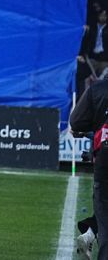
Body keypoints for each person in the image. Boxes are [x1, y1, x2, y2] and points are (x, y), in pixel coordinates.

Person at [70, 75, 108, 260]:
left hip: (104, 159)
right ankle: (91, 232)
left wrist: (90, 130)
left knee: (104, 208)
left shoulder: (98, 89)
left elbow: (77, 122)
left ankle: (91, 233)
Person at [85, 8, 108, 77]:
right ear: (98, 16)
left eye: (105, 16)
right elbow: (86, 40)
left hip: (104, 59)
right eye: (101, 15)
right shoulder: (92, 27)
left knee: (102, 78)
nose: (103, 17)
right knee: (89, 77)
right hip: (92, 57)